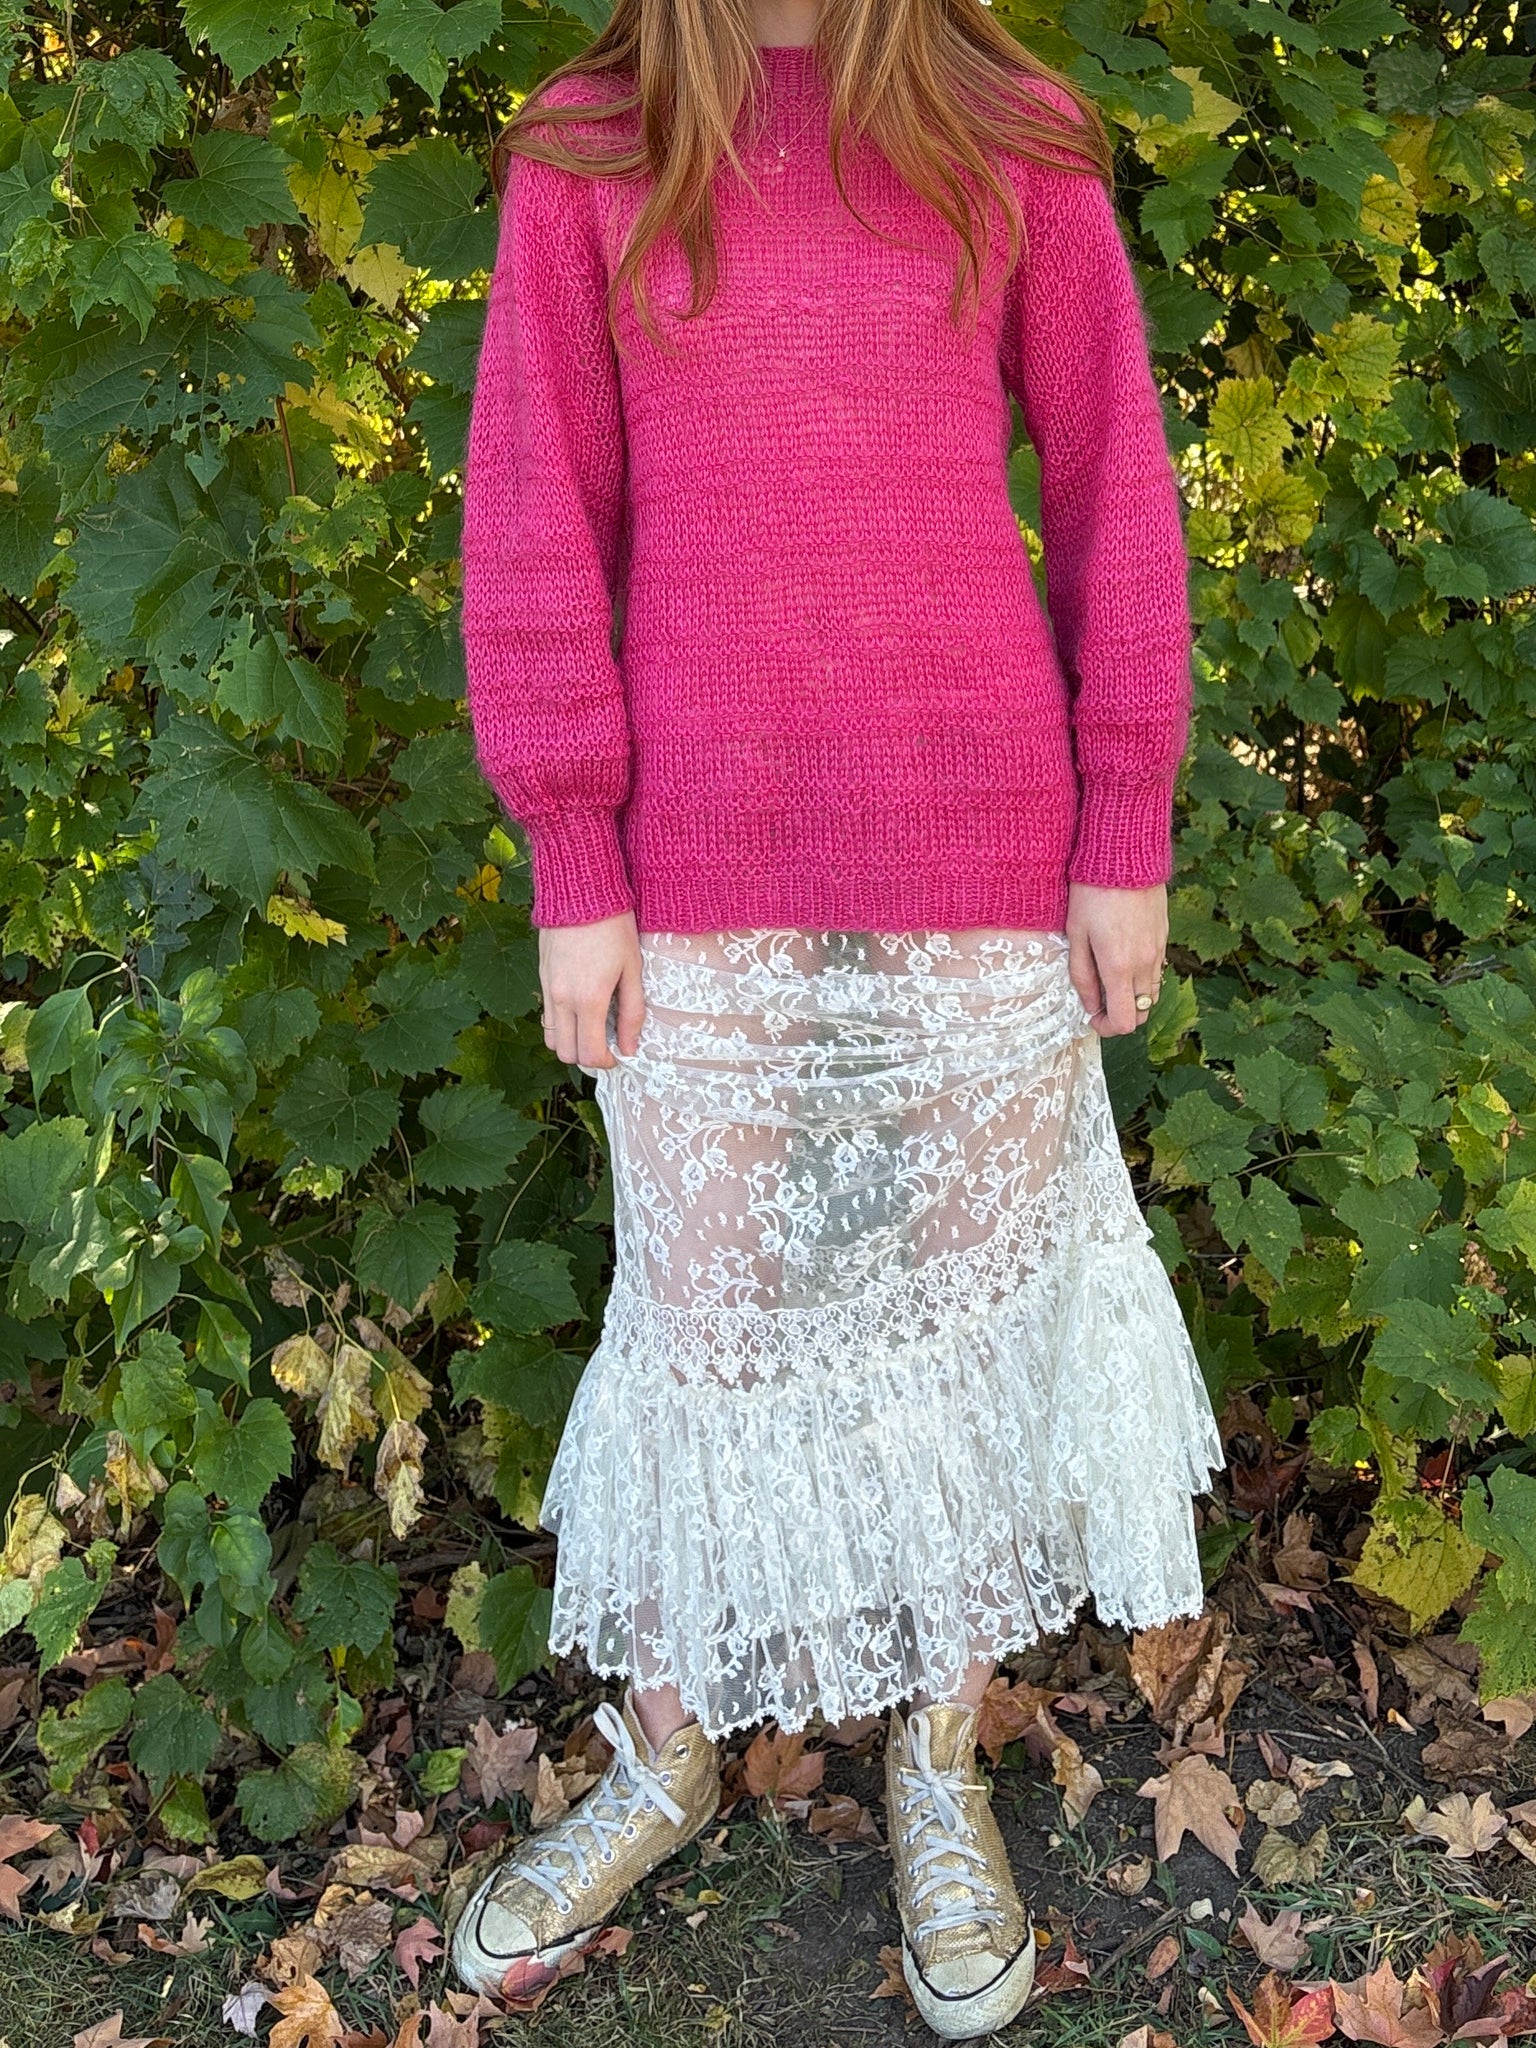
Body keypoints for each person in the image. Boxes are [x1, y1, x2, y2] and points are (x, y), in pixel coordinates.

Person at [451, 0, 1224, 2034]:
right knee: (704, 1314)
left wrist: (1122, 816)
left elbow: (1118, 472)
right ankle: (673, 1739)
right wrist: (575, 852)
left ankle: (940, 1755)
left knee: (978, 1314)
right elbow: (538, 516)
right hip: (697, 863)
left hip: (985, 834)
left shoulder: (1007, 128)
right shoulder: (596, 146)